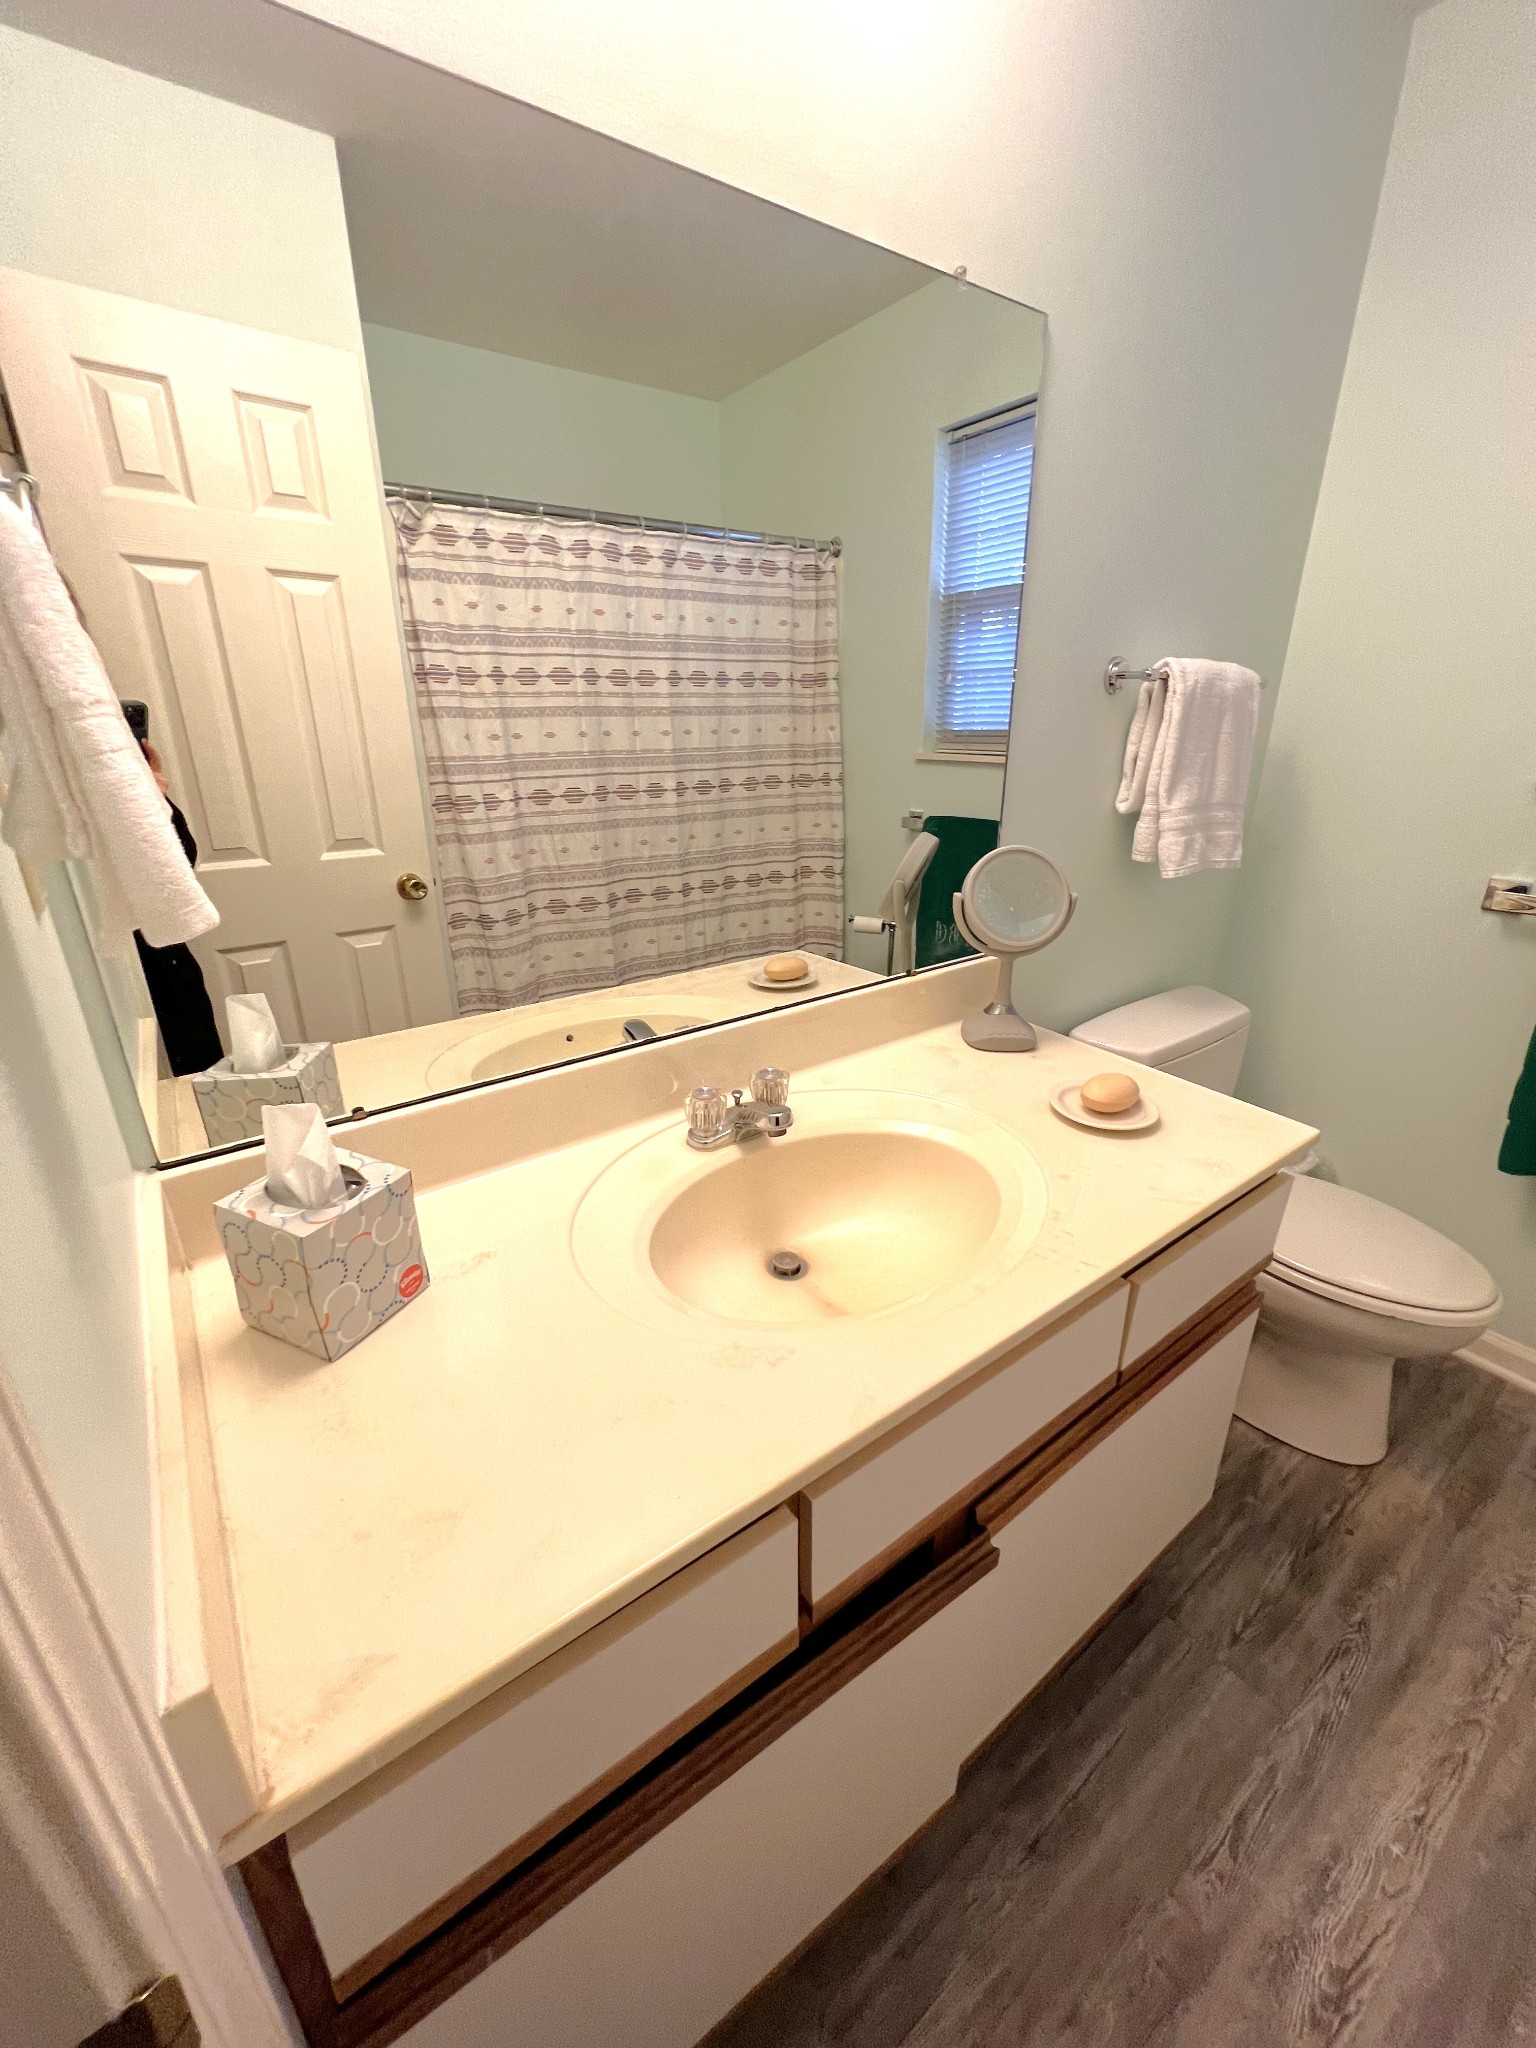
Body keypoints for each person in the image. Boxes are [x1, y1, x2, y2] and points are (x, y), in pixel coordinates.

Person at [132, 734, 224, 1075]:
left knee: (198, 1079)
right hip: (127, 963)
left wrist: (156, 805)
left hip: (166, 958)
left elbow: (180, 863)